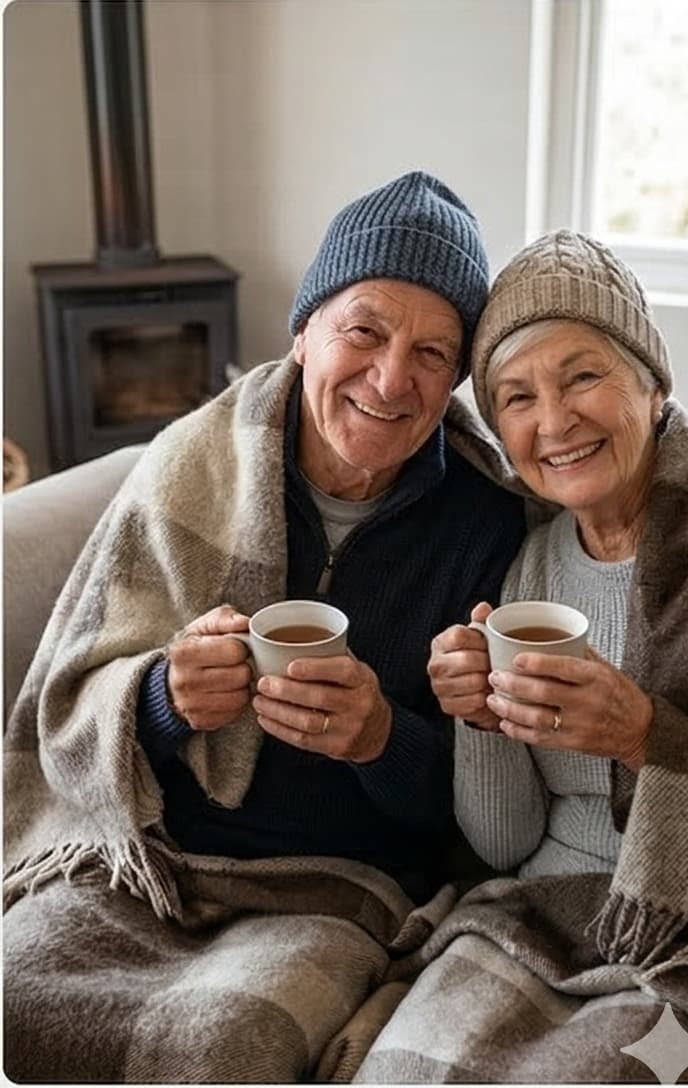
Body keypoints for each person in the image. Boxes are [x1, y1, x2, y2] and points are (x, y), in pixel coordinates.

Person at [3, 171, 525, 1083]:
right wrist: (163, 699)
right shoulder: (188, 465)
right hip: (151, 855)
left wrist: (381, 739)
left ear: (458, 380)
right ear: (304, 332)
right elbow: (64, 707)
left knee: (227, 1050)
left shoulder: (486, 524)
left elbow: (488, 812)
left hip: (336, 881)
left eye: (434, 354)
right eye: (363, 330)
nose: (391, 378)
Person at [355, 230, 688, 1083]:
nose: (555, 420)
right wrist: (479, 720)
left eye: (582, 376)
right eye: (516, 397)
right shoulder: (530, 571)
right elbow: (505, 845)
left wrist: (649, 737)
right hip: (537, 909)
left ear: (652, 387)